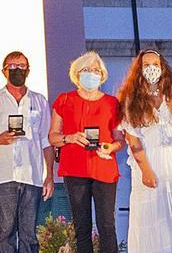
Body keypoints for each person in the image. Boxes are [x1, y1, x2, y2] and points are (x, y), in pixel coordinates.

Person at [120, 49, 172, 253]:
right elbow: (133, 140)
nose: (151, 69)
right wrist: (146, 171)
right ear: (139, 70)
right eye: (146, 65)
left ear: (163, 68)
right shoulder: (131, 100)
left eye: (155, 65)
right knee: (152, 218)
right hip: (149, 165)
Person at [0, 51, 55, 253]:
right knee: (6, 233)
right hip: (3, 176)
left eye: (21, 66)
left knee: (29, 234)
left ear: (28, 70)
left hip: (32, 176)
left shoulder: (39, 100)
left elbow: (46, 141)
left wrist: (50, 176)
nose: (17, 70)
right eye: (12, 66)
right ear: (4, 71)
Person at [47, 51, 120, 253]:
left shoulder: (112, 103)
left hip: (104, 169)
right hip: (75, 169)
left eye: (96, 70)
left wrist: (110, 147)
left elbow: (120, 139)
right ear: (77, 74)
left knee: (107, 225)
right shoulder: (64, 100)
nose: (92, 73)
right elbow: (52, 137)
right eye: (87, 70)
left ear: (103, 74)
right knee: (82, 226)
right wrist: (69, 137)